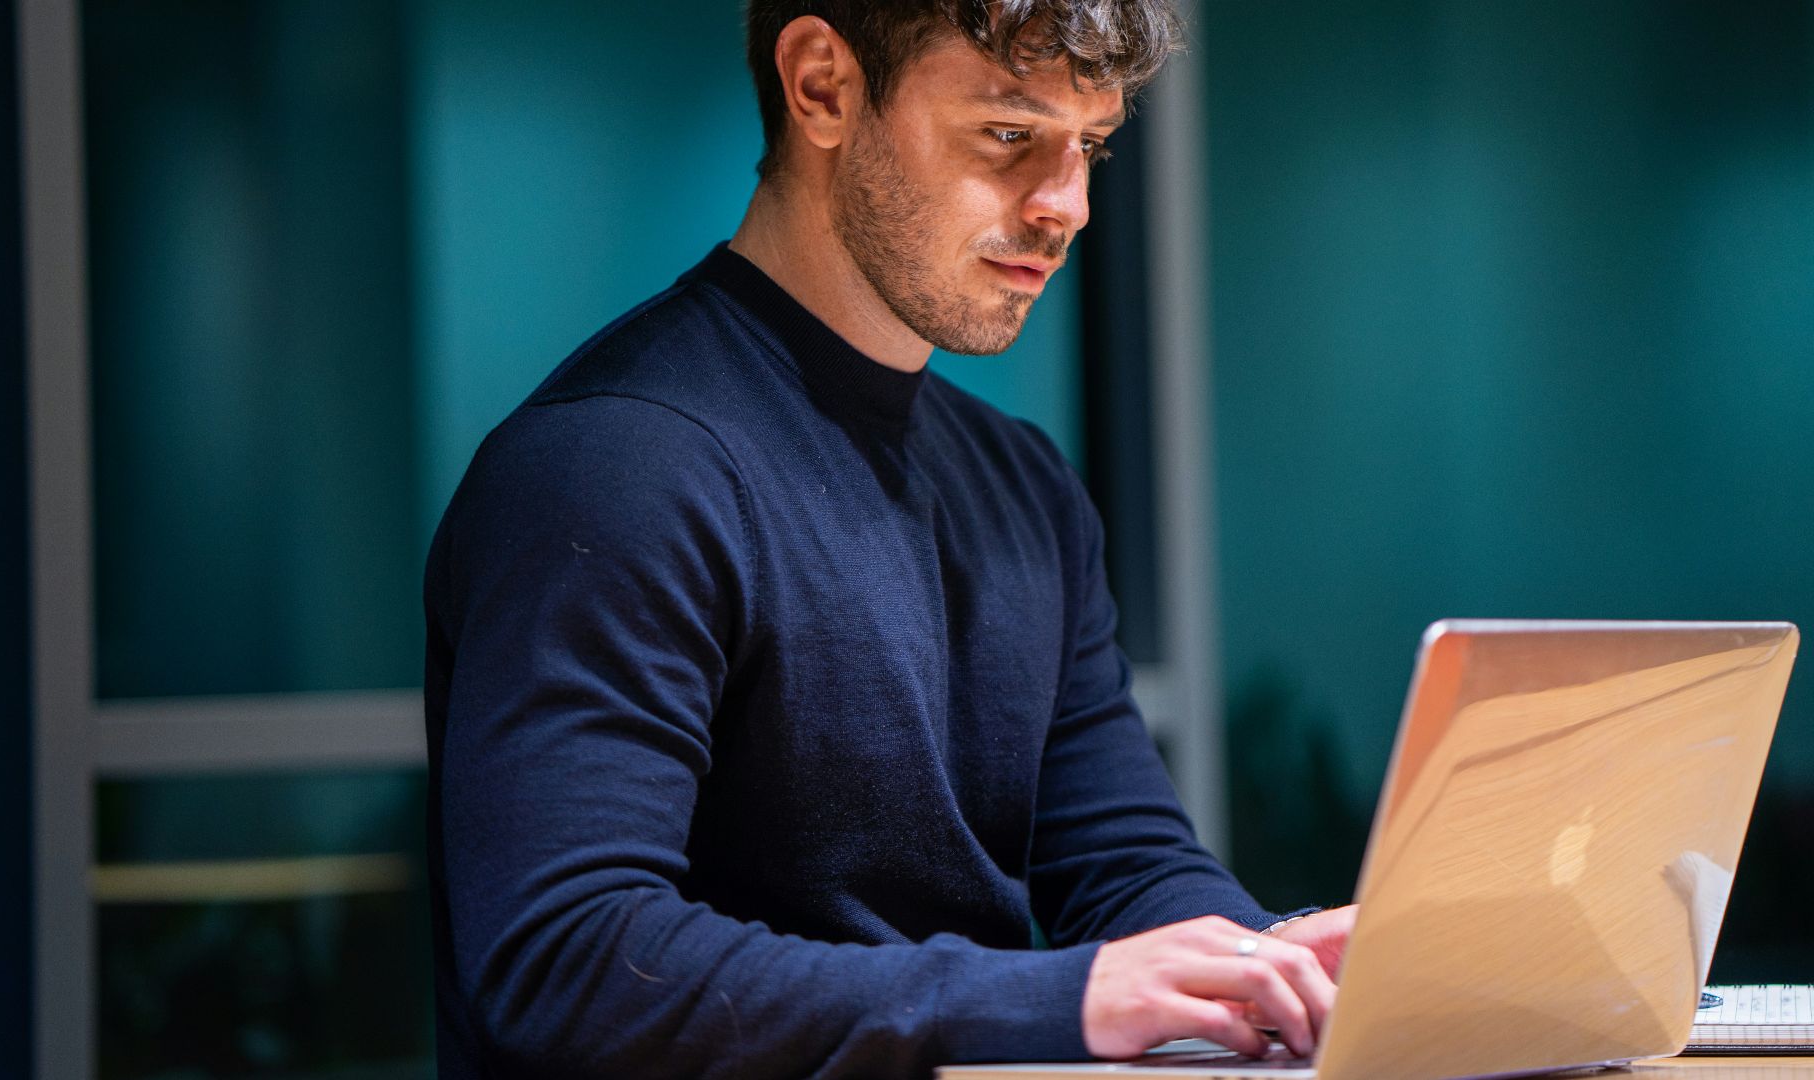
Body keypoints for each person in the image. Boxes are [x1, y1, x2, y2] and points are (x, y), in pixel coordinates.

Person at [422, 2, 1357, 1076]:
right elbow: (566, 962)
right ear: (822, 83)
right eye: (1009, 136)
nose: (1069, 206)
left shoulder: (1024, 486)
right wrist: (1062, 996)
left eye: (1090, 146)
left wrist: (1273, 965)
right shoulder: (614, 468)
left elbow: (1123, 859)